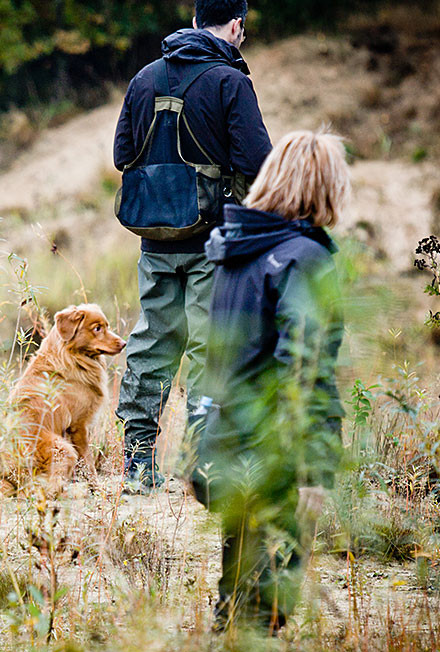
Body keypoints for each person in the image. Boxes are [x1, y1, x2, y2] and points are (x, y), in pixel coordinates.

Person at [191, 130, 351, 632]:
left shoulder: (237, 252)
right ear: (324, 187)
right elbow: (302, 369)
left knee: (237, 595)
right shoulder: (304, 259)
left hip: (223, 443)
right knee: (266, 606)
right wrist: (311, 469)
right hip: (274, 453)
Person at [113, 0, 272, 493]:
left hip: (155, 238)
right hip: (213, 241)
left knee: (152, 340)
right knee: (210, 346)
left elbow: (122, 155)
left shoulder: (144, 78)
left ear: (196, 17)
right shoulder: (230, 82)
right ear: (237, 25)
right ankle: (200, 465)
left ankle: (137, 465)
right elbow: (258, 163)